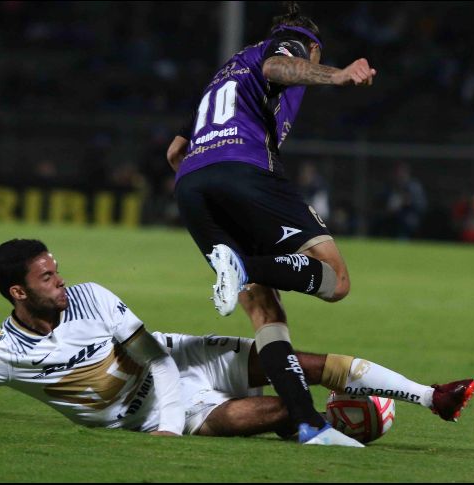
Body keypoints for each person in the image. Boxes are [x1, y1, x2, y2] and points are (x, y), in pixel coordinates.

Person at [0, 239, 474, 445]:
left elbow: (154, 355)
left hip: (184, 366)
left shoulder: (92, 294)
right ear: (16, 294)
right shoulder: (5, 353)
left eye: (56, 269)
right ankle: (345, 425)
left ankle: (429, 394)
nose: (59, 281)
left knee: (302, 364)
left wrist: (174, 423)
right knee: (284, 413)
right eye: (45, 277)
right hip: (152, 414)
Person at [166, 2, 377, 445]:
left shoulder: (222, 75)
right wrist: (336, 75)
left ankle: (307, 424)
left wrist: (208, 186)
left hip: (191, 184)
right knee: (335, 279)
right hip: (244, 170)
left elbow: (174, 151)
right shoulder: (291, 43)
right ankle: (242, 266)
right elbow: (280, 65)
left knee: (264, 308)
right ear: (313, 48)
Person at [375, 162, 428, 240]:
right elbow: (380, 201)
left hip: (408, 218)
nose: (399, 175)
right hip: (391, 218)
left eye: (402, 172)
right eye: (397, 173)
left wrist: (408, 202)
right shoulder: (390, 186)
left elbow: (422, 206)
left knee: (406, 222)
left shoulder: (414, 187)